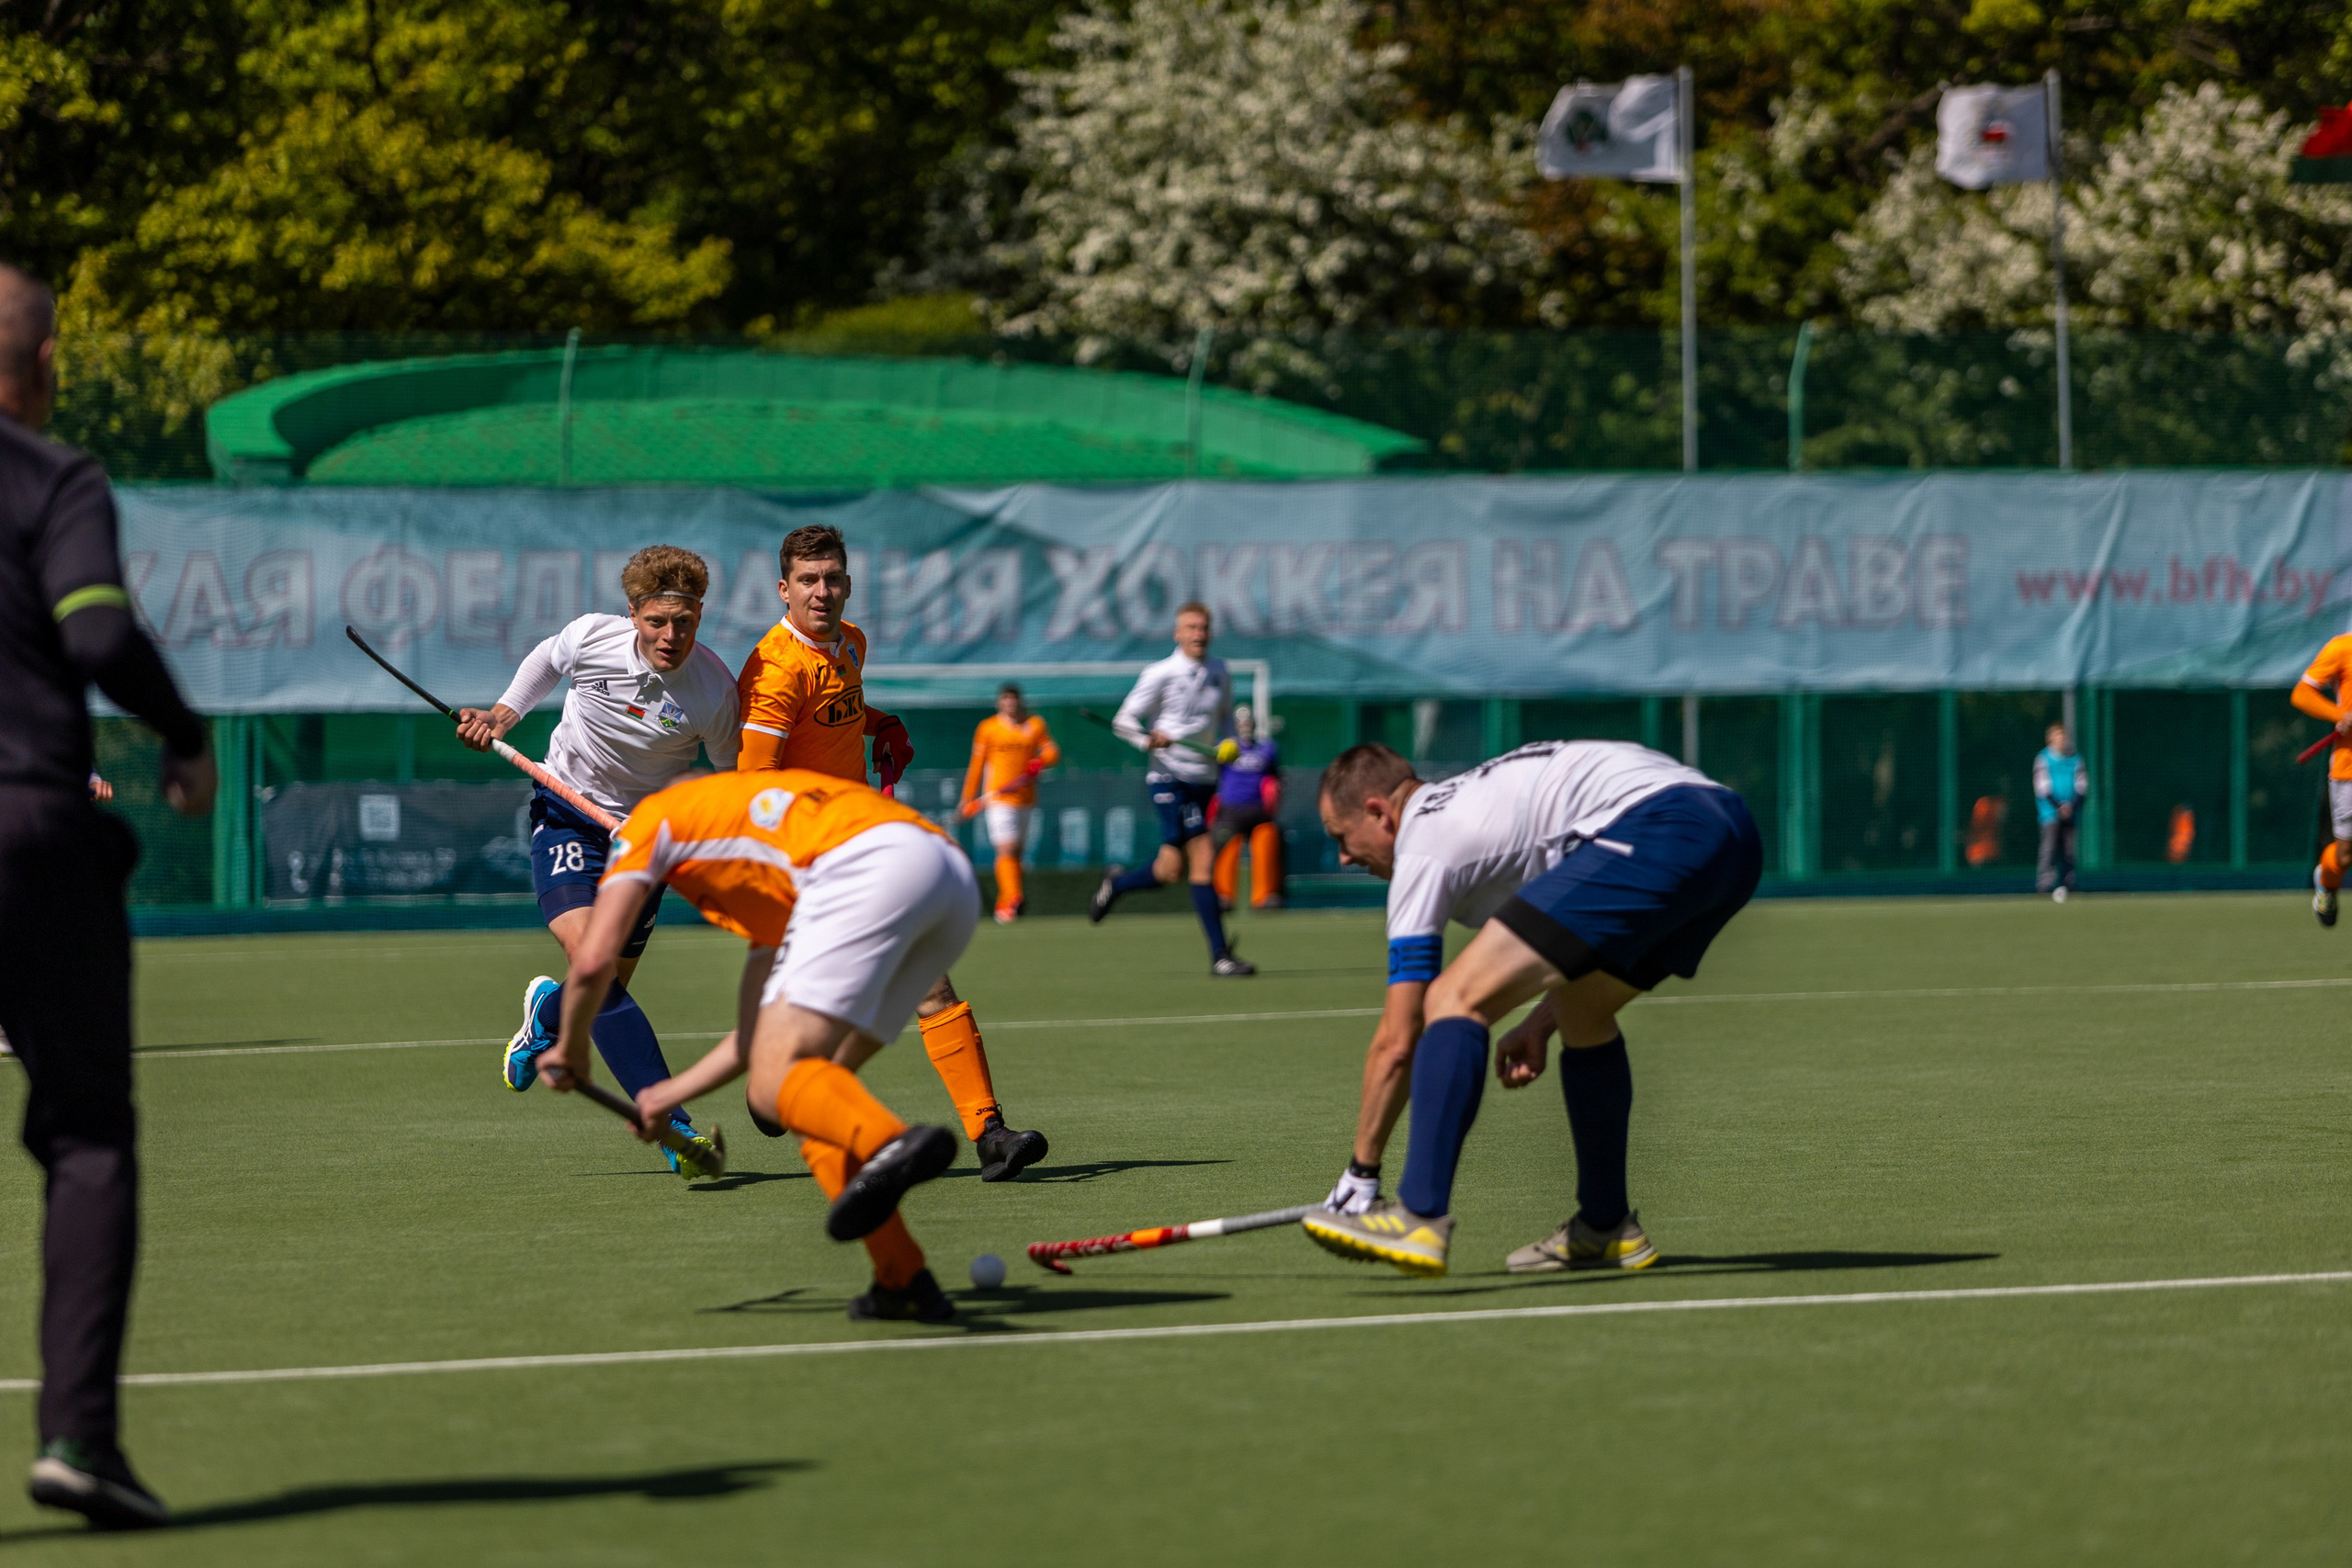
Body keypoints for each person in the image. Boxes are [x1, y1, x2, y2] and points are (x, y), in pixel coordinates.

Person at [2, 261, 216, 1528]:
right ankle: (79, 1435)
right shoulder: (54, 477)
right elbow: (95, 633)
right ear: (42, 365)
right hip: (27, 833)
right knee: (86, 1135)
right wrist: (184, 735)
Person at [1298, 739, 1759, 1279]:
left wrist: (1361, 1173)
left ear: (1379, 812)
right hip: (1732, 836)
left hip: (1660, 826)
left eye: (1341, 837)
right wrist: (1541, 1023)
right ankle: (1606, 1224)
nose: (1344, 857)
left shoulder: (1423, 844)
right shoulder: (1475, 802)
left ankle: (1418, 1216)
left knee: (1452, 997)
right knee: (1582, 1012)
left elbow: (1400, 1039)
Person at [542, 769, 971, 1322]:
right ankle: (903, 1277)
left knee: (782, 1084)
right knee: (801, 1091)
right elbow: (753, 1038)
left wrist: (573, 1046)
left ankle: (890, 1141)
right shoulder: (762, 858)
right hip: (949, 879)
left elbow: (594, 960)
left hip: (865, 871)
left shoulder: (651, 820)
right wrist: (663, 1097)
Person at [736, 525, 1048, 1181]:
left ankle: (990, 1133)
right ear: (783, 589)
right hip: (805, 859)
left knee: (928, 974)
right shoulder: (776, 670)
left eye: (833, 578)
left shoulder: (850, 642)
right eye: (808, 580)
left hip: (860, 846)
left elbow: (839, 711)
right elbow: (753, 785)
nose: (822, 591)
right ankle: (773, 1084)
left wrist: (883, 724)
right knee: (822, 1011)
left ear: (849, 584)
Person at [457, 546, 740, 1176]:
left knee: (598, 990)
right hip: (567, 814)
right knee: (594, 965)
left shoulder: (715, 691)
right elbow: (547, 659)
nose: (671, 637)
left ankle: (546, 1016)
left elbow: (731, 782)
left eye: (685, 623)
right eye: (657, 621)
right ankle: (672, 1123)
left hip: (644, 843)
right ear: (633, 613)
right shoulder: (592, 637)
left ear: (700, 616)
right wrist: (501, 715)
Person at [1087, 603, 1256, 976]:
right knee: (1203, 856)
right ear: (1177, 633)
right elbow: (1124, 720)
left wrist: (1230, 742)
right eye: (1191, 627)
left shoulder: (1221, 671)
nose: (1199, 634)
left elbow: (1226, 718)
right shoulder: (1160, 673)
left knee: (1169, 870)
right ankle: (1220, 956)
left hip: (1205, 778)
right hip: (1169, 777)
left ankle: (1118, 884)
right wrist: (1148, 740)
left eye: (1204, 627)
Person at [959, 683, 1060, 924]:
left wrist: (1039, 761)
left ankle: (1007, 904)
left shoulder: (1035, 725)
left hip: (1026, 799)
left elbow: (1052, 751)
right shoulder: (988, 728)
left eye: (1014, 699)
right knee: (1006, 849)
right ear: (999, 702)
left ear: (1020, 701)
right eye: (1006, 699)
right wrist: (967, 798)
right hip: (998, 799)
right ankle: (1013, 897)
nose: (1010, 703)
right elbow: (977, 765)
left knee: (1018, 854)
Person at [2293, 636, 2352, 928]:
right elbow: (2302, 694)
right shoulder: (2342, 648)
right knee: (2344, 857)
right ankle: (2326, 882)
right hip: (2349, 768)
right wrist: (2340, 715)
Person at [1209, 704, 1283, 913]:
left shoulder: (1267, 748)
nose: (1245, 725)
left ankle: (1264, 897)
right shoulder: (1223, 747)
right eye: (1241, 722)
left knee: (1265, 849)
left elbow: (1275, 777)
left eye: (1248, 721)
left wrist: (1274, 796)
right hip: (1231, 808)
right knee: (1227, 850)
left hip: (1259, 809)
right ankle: (1223, 897)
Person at [2031, 723, 2087, 904]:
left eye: (2063, 736)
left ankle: (2069, 885)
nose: (2061, 740)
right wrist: (2059, 807)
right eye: (2057, 736)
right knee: (2048, 849)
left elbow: (2082, 786)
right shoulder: (2043, 759)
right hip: (2050, 813)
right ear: (2050, 739)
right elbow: (2042, 787)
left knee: (2069, 851)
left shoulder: (2075, 758)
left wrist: (2071, 806)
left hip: (2071, 812)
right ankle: (2044, 887)